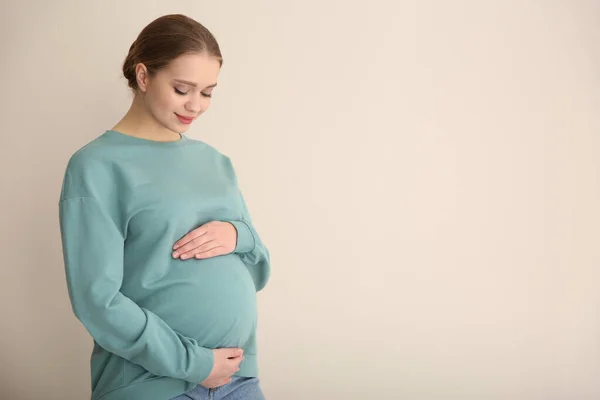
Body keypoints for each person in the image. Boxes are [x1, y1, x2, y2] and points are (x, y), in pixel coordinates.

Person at [58, 14, 271, 400]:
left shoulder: (215, 162)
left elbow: (259, 269)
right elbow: (96, 300)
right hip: (152, 386)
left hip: (238, 379)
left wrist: (238, 235)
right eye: (182, 89)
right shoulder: (97, 166)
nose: (196, 105)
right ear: (143, 76)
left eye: (207, 92)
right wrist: (195, 364)